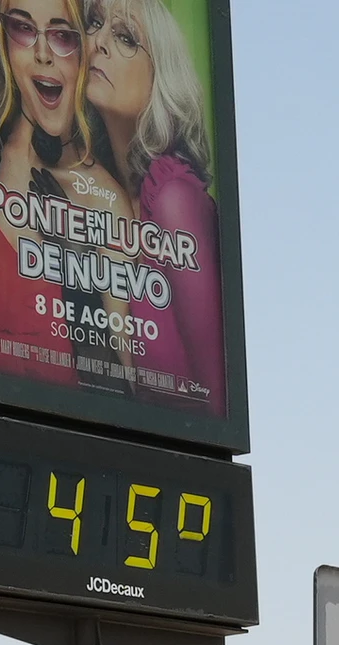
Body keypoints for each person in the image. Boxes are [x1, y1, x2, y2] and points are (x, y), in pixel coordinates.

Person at [81, 0, 226, 416]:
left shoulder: (174, 198)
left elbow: (216, 397)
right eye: (95, 24)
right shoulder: (103, 197)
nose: (100, 43)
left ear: (162, 75)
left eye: (125, 37)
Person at [0, 0, 97, 388]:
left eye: (62, 36)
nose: (43, 54)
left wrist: (81, 285)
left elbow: (123, 395)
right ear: (2, 39)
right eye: (23, 28)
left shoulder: (96, 193)